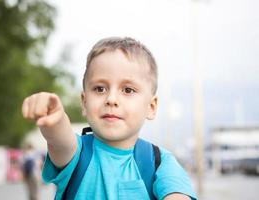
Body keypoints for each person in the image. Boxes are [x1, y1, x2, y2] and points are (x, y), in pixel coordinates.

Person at [22, 37, 197, 200]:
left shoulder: (160, 163)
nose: (111, 99)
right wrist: (55, 118)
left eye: (128, 90)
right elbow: (60, 140)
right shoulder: (77, 154)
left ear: (151, 107)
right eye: (100, 89)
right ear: (84, 102)